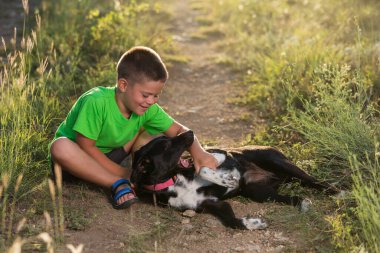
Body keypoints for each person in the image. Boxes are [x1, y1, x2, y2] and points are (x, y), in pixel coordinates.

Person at [49, 46, 218, 209]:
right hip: (77, 162)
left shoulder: (147, 109)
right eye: (145, 95)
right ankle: (116, 183)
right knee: (60, 146)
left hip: (114, 154)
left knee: (152, 130)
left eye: (156, 95)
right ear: (123, 85)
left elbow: (179, 131)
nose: (151, 101)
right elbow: (86, 147)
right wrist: (122, 173)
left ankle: (165, 168)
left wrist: (198, 151)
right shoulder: (96, 101)